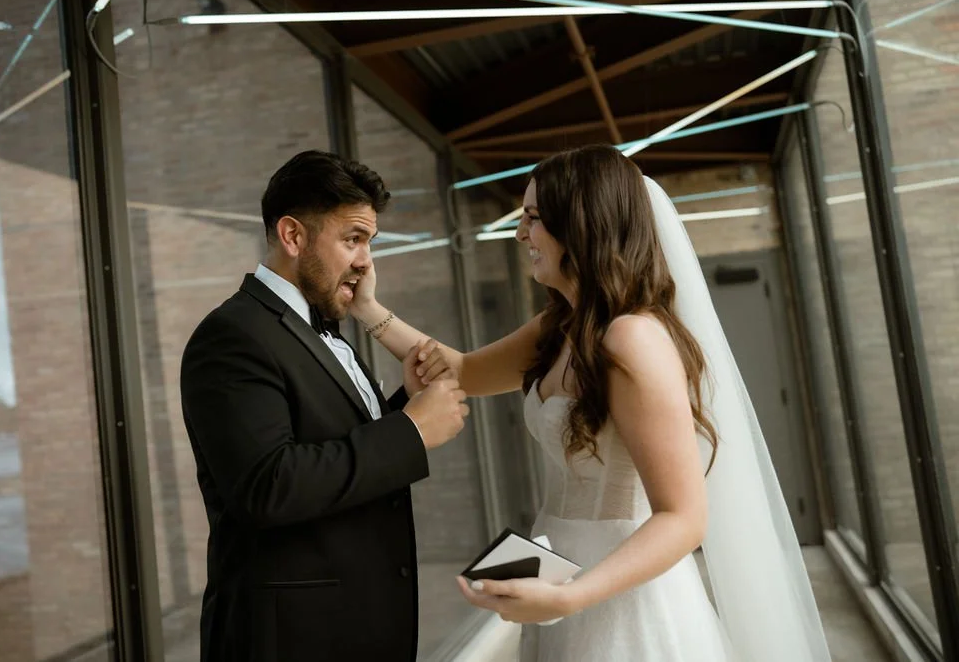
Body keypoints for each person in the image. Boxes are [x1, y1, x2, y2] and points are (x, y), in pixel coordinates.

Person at [349, 144, 833, 661]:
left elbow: (684, 517)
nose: (519, 235)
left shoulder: (632, 340)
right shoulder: (559, 326)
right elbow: (463, 371)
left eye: (533, 218)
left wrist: (570, 596)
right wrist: (368, 308)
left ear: (579, 222)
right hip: (555, 574)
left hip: (623, 599)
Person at [179, 150, 469, 662]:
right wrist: (411, 430)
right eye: (352, 239)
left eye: (369, 242)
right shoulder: (231, 335)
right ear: (293, 236)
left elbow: (331, 443)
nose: (366, 260)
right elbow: (268, 485)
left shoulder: (327, 331)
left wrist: (405, 405)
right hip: (292, 639)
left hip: (358, 626)